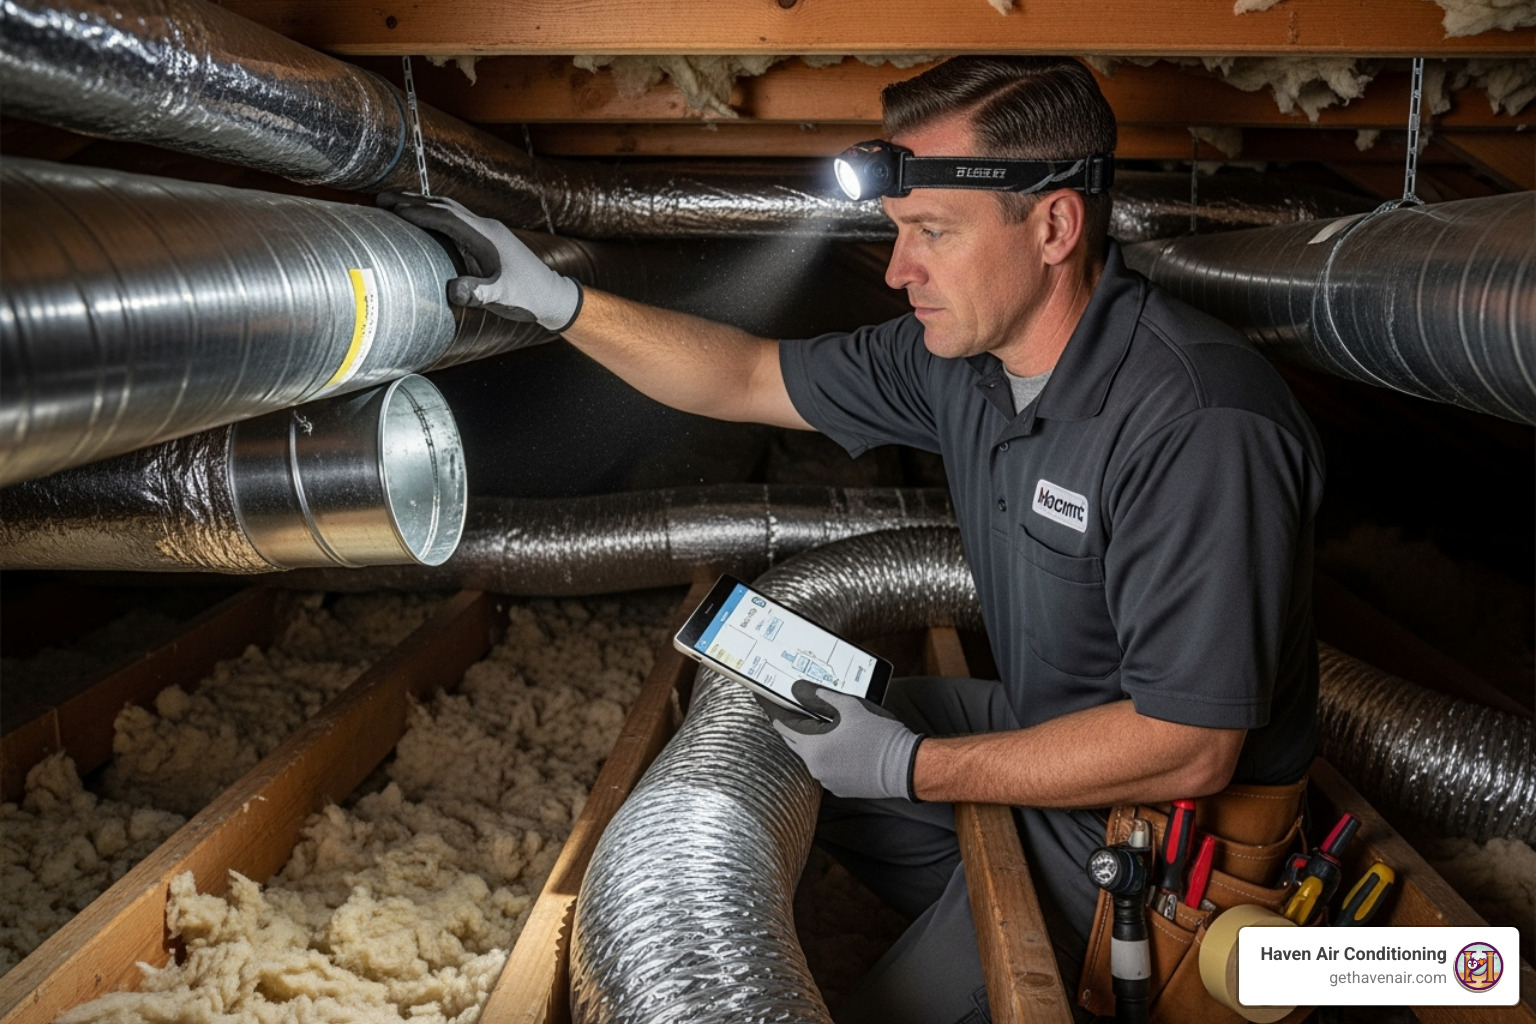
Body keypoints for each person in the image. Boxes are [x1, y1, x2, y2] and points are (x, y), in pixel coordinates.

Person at [381, 55, 1323, 1024]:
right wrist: (561, 304)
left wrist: (914, 767)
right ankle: (963, 879)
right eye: (895, 231)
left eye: (932, 233)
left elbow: (1190, 745)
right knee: (812, 732)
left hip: (1166, 846)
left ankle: (1014, 945)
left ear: (1053, 225)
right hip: (1058, 738)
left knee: (887, 998)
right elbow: (745, 375)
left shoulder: (1198, 422)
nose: (896, 269)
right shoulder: (963, 359)